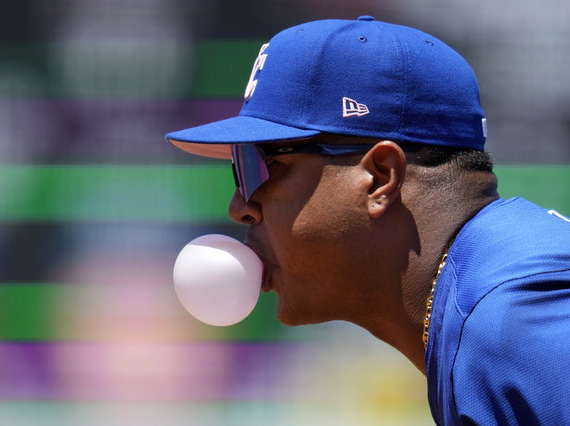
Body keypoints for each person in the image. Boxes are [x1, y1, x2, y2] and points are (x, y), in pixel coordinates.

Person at [165, 16, 570, 425]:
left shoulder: (518, 321)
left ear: (379, 177)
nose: (240, 206)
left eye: (259, 165)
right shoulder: (483, 300)